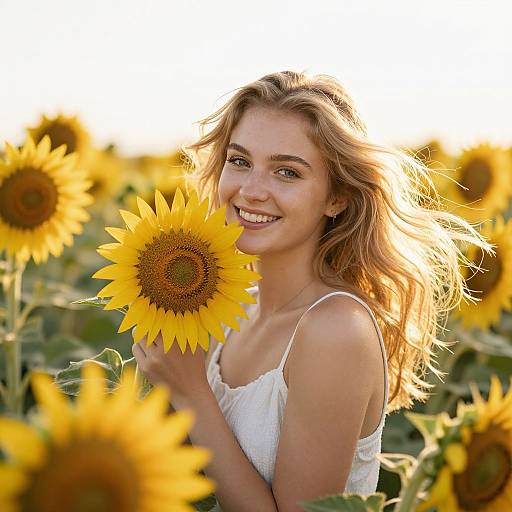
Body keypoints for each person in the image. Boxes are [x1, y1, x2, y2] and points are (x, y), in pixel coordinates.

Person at [132, 71, 493, 512]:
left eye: (287, 172)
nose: (251, 190)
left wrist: (190, 392)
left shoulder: (334, 331)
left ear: (336, 197)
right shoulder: (223, 304)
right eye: (240, 161)